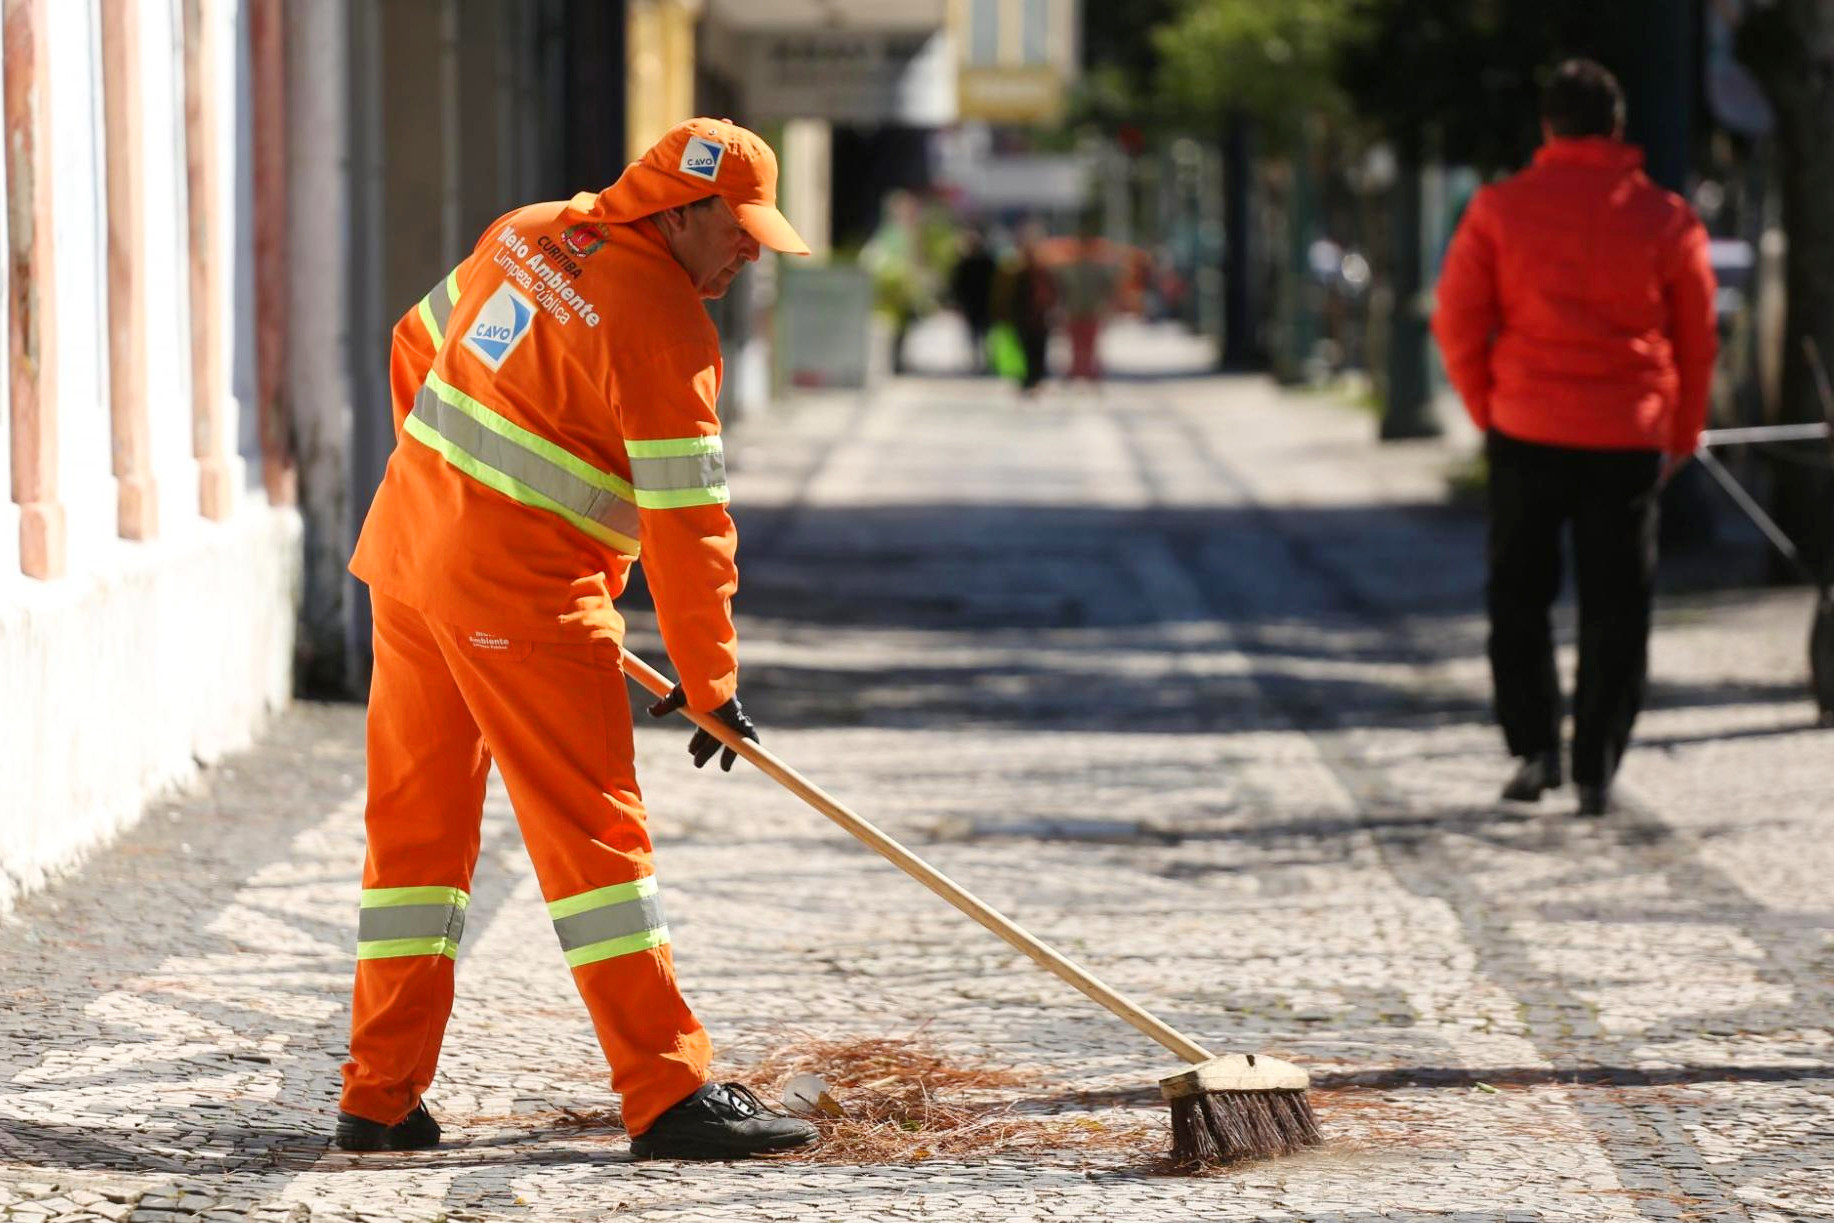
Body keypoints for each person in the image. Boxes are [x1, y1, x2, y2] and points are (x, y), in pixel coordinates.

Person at [336, 118, 820, 1160]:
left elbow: (414, 339)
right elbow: (692, 528)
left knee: (414, 844)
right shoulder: (664, 324)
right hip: (524, 599)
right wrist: (709, 679)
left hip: (411, 561)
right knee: (595, 843)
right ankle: (665, 1090)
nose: (747, 251)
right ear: (677, 208)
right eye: (735, 230)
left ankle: (377, 1096)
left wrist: (443, 493)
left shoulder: (527, 230)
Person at [1431, 60, 1718, 816]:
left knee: (1519, 593)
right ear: (1618, 126)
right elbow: (1695, 337)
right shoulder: (1666, 217)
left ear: (1547, 127)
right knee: (1618, 599)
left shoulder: (1499, 208)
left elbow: (1455, 318)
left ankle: (1533, 748)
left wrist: (1486, 406)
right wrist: (1682, 428)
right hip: (1626, 435)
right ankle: (1597, 761)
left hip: (1525, 424)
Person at [1055, 222, 1120, 387]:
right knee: (1075, 345)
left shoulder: (1097, 268)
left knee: (1089, 345)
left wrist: (1107, 305)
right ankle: (1076, 371)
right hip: (1074, 310)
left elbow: (1107, 287)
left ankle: (1090, 373)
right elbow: (1061, 289)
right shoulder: (1068, 268)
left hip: (1091, 311)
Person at [947, 227, 997, 375]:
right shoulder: (965, 263)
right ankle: (978, 361)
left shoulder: (986, 262)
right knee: (975, 334)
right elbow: (957, 285)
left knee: (985, 334)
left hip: (984, 303)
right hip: (972, 304)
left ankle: (987, 361)